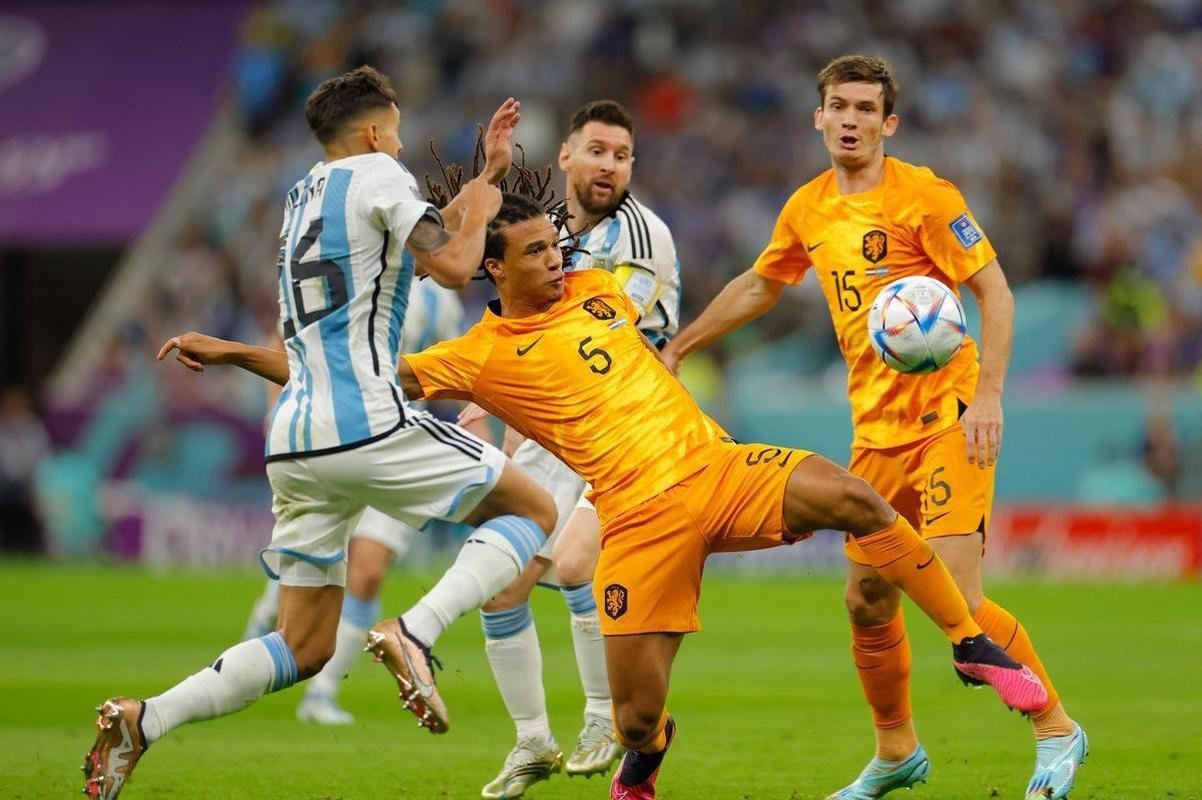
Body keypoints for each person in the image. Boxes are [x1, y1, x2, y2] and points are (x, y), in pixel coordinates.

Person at [173, 190, 1048, 800]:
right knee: (633, 719)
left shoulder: (599, 290)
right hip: (636, 521)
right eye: (536, 255)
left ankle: (971, 643)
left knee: (856, 497)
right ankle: (643, 762)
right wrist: (239, 353)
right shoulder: (475, 357)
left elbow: (678, 270)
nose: (558, 263)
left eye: (558, 248)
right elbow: (350, 374)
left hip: (719, 469)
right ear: (493, 271)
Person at [82, 67, 558, 800]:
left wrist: (488, 173)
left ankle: (144, 721)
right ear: (373, 134)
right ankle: (416, 631)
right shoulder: (380, 174)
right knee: (535, 510)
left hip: (297, 444)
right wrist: (490, 195)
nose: (398, 145)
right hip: (368, 423)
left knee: (303, 646)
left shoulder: (306, 196)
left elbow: (416, 235)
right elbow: (459, 264)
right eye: (395, 130)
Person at [660, 54, 1086, 800]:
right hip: (875, 435)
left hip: (950, 419)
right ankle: (897, 753)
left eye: (865, 108)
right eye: (838, 106)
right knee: (866, 600)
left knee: (960, 600)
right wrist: (683, 344)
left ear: (889, 123)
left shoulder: (925, 196)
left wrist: (988, 399)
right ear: (818, 117)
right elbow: (764, 280)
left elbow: (995, 291)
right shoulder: (808, 207)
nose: (851, 120)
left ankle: (1057, 729)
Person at [465, 99, 681, 799]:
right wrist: (481, 398)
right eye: (597, 151)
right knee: (501, 586)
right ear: (565, 156)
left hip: (618, 428)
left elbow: (605, 340)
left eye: (622, 156)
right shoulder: (542, 229)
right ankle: (532, 741)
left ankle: (601, 719)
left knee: (575, 561)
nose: (609, 166)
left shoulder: (643, 238)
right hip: (545, 431)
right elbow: (512, 322)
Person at [240, 278, 467, 726]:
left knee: (366, 572)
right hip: (334, 433)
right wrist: (274, 411)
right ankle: (260, 628)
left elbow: (453, 367)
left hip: (398, 444)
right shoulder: (357, 271)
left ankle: (321, 694)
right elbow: (284, 338)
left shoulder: (443, 297)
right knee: (308, 561)